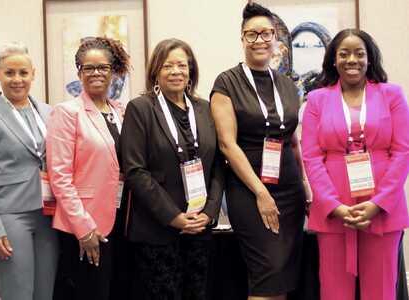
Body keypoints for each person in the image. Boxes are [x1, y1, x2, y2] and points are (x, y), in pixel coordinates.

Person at [301, 28, 409, 300]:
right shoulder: (316, 100)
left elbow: (403, 151)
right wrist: (333, 205)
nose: (352, 60)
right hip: (334, 211)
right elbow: (311, 157)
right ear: (334, 60)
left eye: (359, 53)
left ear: (369, 59)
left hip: (382, 208)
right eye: (344, 54)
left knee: (382, 291)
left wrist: (378, 202)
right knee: (335, 291)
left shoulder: (392, 95)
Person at [210, 3, 307, 300]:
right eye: (251, 34)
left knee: (283, 278)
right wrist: (261, 193)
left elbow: (293, 140)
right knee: (267, 273)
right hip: (250, 191)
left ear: (276, 38)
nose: (260, 40)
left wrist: (304, 182)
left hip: (289, 191)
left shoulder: (288, 86)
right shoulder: (226, 82)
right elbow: (228, 144)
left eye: (266, 33)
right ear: (242, 39)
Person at [121, 38, 224, 300]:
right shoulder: (141, 109)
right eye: (168, 66)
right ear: (156, 71)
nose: (176, 71)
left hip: (199, 226)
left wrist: (210, 211)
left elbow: (217, 165)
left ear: (191, 70)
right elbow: (135, 170)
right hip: (158, 230)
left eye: (182, 65)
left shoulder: (204, 108)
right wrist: (173, 216)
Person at [0, 42, 58, 300]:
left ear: (33, 74)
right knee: (17, 293)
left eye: (23, 73)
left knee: (44, 293)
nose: (17, 80)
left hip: (47, 215)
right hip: (10, 217)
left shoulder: (48, 112)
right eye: (9, 73)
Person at [46, 37, 129, 300]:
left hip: (120, 218)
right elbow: (60, 177)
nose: (96, 73)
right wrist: (84, 229)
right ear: (79, 72)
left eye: (102, 67)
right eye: (88, 67)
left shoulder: (121, 111)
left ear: (113, 71)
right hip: (85, 225)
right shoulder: (67, 112)